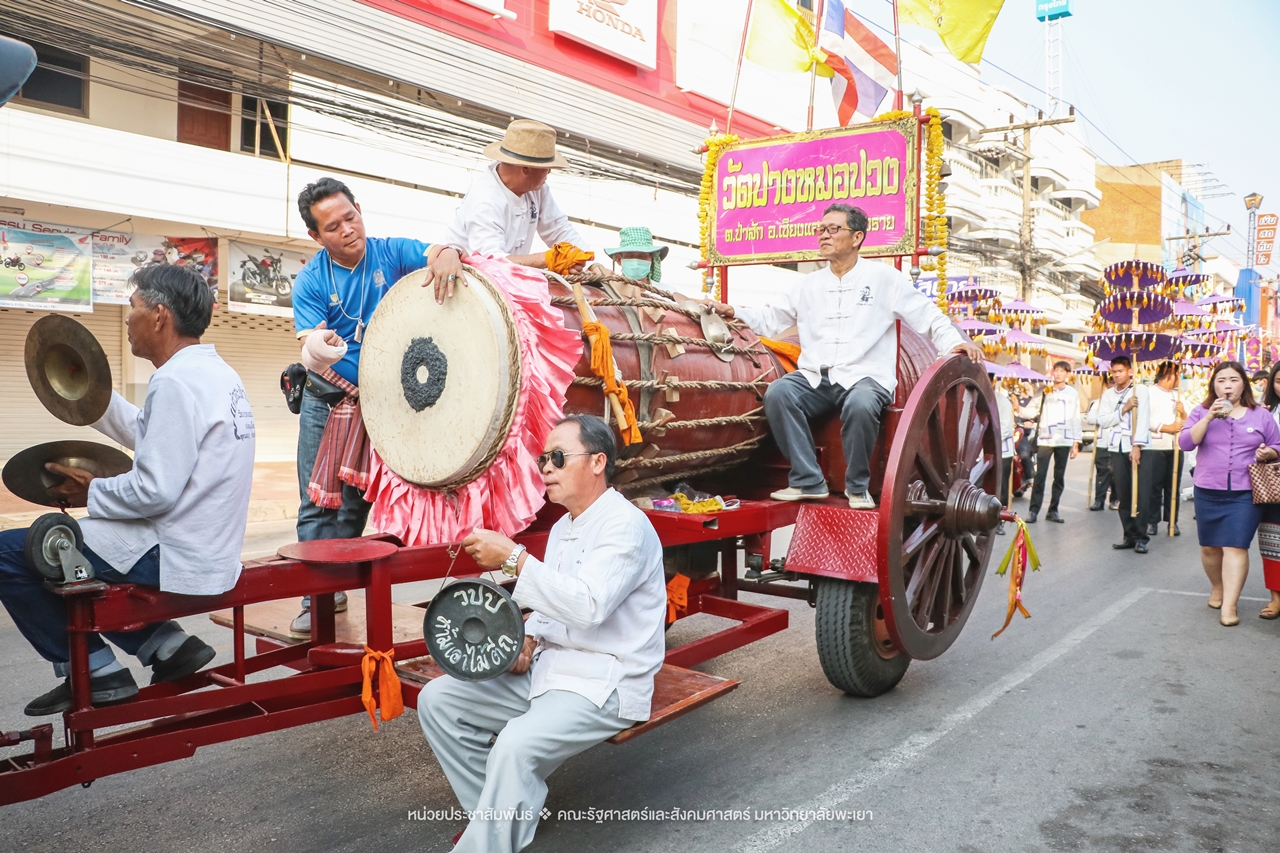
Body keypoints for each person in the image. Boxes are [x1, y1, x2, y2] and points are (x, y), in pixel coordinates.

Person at [0, 265, 254, 714]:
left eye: (132, 307)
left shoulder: (175, 381)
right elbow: (156, 434)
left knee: (16, 552)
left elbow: (154, 491)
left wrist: (91, 490)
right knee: (72, 546)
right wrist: (87, 395)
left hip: (174, 552)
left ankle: (96, 669)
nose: (126, 319)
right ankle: (167, 646)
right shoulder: (215, 374)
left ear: (159, 316)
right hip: (203, 547)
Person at [419, 415, 665, 853]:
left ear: (597, 462)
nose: (545, 468)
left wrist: (514, 559)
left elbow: (588, 606)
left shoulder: (624, 526)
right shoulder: (562, 527)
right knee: (438, 700)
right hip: (553, 670)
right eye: (541, 459)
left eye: (556, 457)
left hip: (604, 681)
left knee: (514, 744)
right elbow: (553, 606)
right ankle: (498, 819)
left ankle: (486, 844)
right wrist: (528, 637)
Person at [698, 204, 982, 509]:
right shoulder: (807, 284)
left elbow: (927, 315)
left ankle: (858, 487)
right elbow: (770, 319)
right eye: (821, 229)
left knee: (860, 404)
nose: (824, 235)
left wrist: (955, 342)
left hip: (867, 376)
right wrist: (734, 311)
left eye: (833, 229)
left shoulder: (884, 279)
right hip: (817, 378)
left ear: (857, 237)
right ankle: (808, 480)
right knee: (779, 392)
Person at [289, 176, 464, 637]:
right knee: (316, 500)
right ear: (316, 236)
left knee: (356, 501)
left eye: (351, 217)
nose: (347, 229)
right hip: (326, 399)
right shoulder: (310, 280)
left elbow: (434, 253)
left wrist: (447, 253)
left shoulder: (390, 251)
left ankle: (340, 585)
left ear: (359, 210)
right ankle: (315, 598)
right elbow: (309, 347)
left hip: (381, 402)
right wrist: (319, 345)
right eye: (332, 226)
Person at [1179, 361, 1280, 626]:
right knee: (1210, 548)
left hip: (1246, 492)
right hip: (1208, 489)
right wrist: (1209, 417)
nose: (1227, 385)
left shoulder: (1261, 414)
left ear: (1243, 384)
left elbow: (1277, 445)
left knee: (1236, 546)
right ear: (1214, 385)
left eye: (1234, 380)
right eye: (1221, 380)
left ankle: (1230, 606)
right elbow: (1186, 442)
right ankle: (1218, 588)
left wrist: (1268, 453)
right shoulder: (1201, 411)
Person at [443, 119, 605, 278]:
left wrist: (591, 264)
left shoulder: (537, 189)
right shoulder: (486, 201)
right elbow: (490, 262)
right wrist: (547, 259)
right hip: (470, 285)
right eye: (546, 167)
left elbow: (558, 228)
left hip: (507, 281)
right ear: (526, 169)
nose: (549, 172)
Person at [1095, 355, 1153, 553]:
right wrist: (1124, 409)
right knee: (1123, 492)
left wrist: (1137, 445)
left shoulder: (1141, 390)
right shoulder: (1108, 395)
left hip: (1137, 447)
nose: (1117, 375)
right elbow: (1102, 420)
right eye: (1114, 372)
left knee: (1141, 493)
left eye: (1120, 371)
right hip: (1116, 446)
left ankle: (1142, 537)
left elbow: (1143, 418)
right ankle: (1128, 535)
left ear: (1130, 371)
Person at [1026, 361, 1081, 523]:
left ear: (1067, 374)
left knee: (1059, 477)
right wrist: (1017, 408)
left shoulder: (1072, 393)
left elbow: (1075, 418)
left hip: (1064, 439)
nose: (1058, 374)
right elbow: (1032, 409)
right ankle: (1033, 511)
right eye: (1056, 370)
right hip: (1045, 439)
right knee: (1040, 476)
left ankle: (1053, 510)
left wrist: (1075, 442)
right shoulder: (1044, 390)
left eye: (1062, 371)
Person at [1146, 361, 1186, 537]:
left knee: (1173, 487)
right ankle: (1151, 521)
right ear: (1170, 374)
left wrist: (1183, 412)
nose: (1179, 379)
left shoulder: (1179, 396)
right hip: (1156, 446)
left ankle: (1172, 521)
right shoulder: (1149, 393)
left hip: (1176, 447)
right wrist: (1165, 427)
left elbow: (1189, 421)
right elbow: (1143, 419)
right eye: (1178, 374)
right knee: (1154, 487)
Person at [1257, 362, 1280, 620]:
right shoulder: (1264, 412)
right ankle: (1276, 598)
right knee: (1273, 541)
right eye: (1279, 380)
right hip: (1273, 483)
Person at [1084, 373, 1117, 511]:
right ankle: (1099, 500)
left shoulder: (1123, 400)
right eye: (1109, 381)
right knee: (1102, 472)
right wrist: (1103, 418)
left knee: (1117, 473)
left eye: (1113, 381)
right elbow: (1090, 418)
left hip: (1118, 442)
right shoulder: (1099, 401)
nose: (1111, 384)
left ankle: (1115, 499)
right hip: (1103, 441)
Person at [603, 226, 668, 291]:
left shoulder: (667, 293)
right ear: (619, 259)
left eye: (642, 256)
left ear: (651, 259)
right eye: (630, 256)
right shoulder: (610, 291)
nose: (636, 262)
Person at [996, 382, 1017, 535]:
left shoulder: (1002, 401)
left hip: (1002, 450)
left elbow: (1006, 428)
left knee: (1002, 487)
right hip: (980, 451)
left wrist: (985, 439)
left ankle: (998, 520)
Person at [1014, 383, 1039, 495]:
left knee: (1024, 454)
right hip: (1008, 432)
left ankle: (1030, 478)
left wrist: (1031, 421)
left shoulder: (1031, 401)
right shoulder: (1012, 400)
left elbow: (1035, 415)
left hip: (1022, 433)